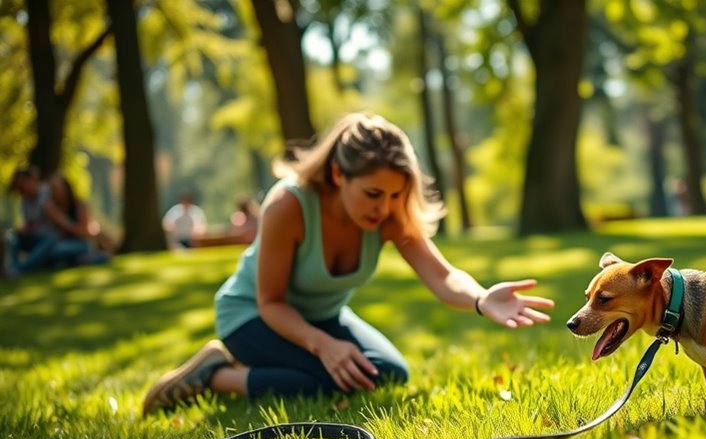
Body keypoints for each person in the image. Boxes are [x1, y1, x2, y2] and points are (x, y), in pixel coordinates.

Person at [143, 112, 555, 414]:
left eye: (396, 195)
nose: (386, 208)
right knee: (325, 379)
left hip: (322, 317)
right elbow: (270, 302)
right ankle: (215, 374)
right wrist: (325, 346)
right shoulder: (288, 205)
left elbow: (441, 275)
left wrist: (482, 299)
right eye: (374, 193)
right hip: (252, 317)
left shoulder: (390, 214)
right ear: (339, 174)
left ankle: (246, 369)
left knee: (388, 373)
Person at [6, 166, 90, 275]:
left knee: (52, 247)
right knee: (12, 237)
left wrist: (55, 216)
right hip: (38, 239)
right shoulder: (24, 200)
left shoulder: (47, 195)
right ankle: (11, 267)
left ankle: (20, 268)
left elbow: (67, 224)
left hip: (53, 240)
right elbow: (28, 224)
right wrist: (24, 229)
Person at [50, 175, 116, 261]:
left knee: (57, 251)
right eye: (52, 190)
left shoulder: (78, 206)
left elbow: (85, 232)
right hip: (65, 243)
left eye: (57, 189)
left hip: (83, 243)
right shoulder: (54, 208)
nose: (55, 192)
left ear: (66, 189)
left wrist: (62, 222)